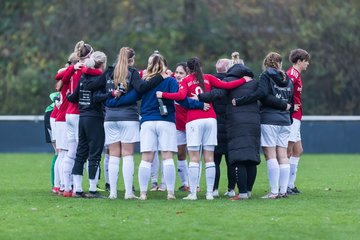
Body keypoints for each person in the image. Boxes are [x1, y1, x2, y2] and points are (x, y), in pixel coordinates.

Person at [157, 57, 252, 200]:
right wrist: (243, 80)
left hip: (194, 120)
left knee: (194, 158)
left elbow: (181, 96)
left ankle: (193, 194)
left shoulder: (185, 81)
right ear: (201, 66)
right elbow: (227, 86)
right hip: (211, 119)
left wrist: (163, 94)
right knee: (209, 158)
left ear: (188, 69)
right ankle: (209, 193)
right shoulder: (209, 78)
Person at [101, 47, 165, 200]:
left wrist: (112, 102)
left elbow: (101, 94)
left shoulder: (109, 72)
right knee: (128, 155)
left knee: (114, 155)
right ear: (131, 60)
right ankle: (128, 193)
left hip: (110, 118)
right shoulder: (133, 73)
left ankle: (113, 193)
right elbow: (141, 89)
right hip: (128, 117)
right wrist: (159, 77)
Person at [198, 52, 261, 200]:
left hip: (232, 124)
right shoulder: (254, 82)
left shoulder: (227, 83)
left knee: (232, 159)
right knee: (250, 158)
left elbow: (214, 95)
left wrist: (199, 97)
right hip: (252, 124)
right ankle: (241, 190)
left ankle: (235, 192)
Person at [233, 52, 294, 199]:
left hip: (270, 120)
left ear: (266, 64)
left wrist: (240, 100)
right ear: (280, 63)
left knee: (270, 155)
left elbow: (262, 94)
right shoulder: (288, 79)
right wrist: (287, 112)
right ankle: (283, 191)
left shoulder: (266, 75)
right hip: (285, 121)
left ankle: (274, 192)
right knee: (283, 155)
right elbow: (290, 101)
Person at [67, 51, 107, 198]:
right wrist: (110, 94)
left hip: (82, 118)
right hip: (95, 118)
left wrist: (66, 95)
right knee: (95, 154)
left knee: (80, 153)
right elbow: (99, 98)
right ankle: (92, 189)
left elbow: (73, 97)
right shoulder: (100, 79)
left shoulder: (83, 78)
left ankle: (77, 189)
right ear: (102, 64)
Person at [61, 41, 94, 197]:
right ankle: (80, 187)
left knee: (70, 152)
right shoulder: (86, 70)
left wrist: (71, 67)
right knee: (83, 152)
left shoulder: (72, 69)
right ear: (89, 55)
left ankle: (67, 188)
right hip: (80, 113)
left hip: (69, 114)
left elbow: (62, 78)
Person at [286, 49, 310, 194]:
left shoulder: (297, 75)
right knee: (288, 151)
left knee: (298, 150)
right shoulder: (292, 74)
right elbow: (284, 90)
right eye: (306, 60)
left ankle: (290, 184)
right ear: (299, 61)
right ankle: (284, 186)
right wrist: (289, 106)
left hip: (297, 117)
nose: (308, 63)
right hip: (292, 117)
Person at [44, 91, 59, 189]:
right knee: (58, 152)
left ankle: (58, 183)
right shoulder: (62, 90)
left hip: (59, 117)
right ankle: (55, 184)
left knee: (62, 152)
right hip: (51, 116)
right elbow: (52, 95)